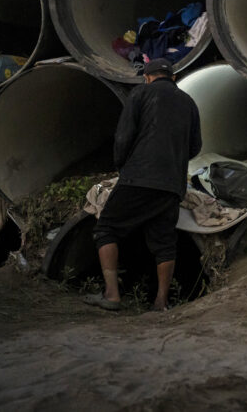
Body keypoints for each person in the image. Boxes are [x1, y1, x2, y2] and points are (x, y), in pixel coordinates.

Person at [85, 57, 202, 312]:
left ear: (147, 77)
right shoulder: (189, 102)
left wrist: (122, 166)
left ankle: (112, 295)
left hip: (138, 177)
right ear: (172, 78)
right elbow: (195, 147)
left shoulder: (140, 94)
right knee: (164, 242)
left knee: (106, 228)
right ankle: (161, 303)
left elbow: (124, 136)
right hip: (172, 184)